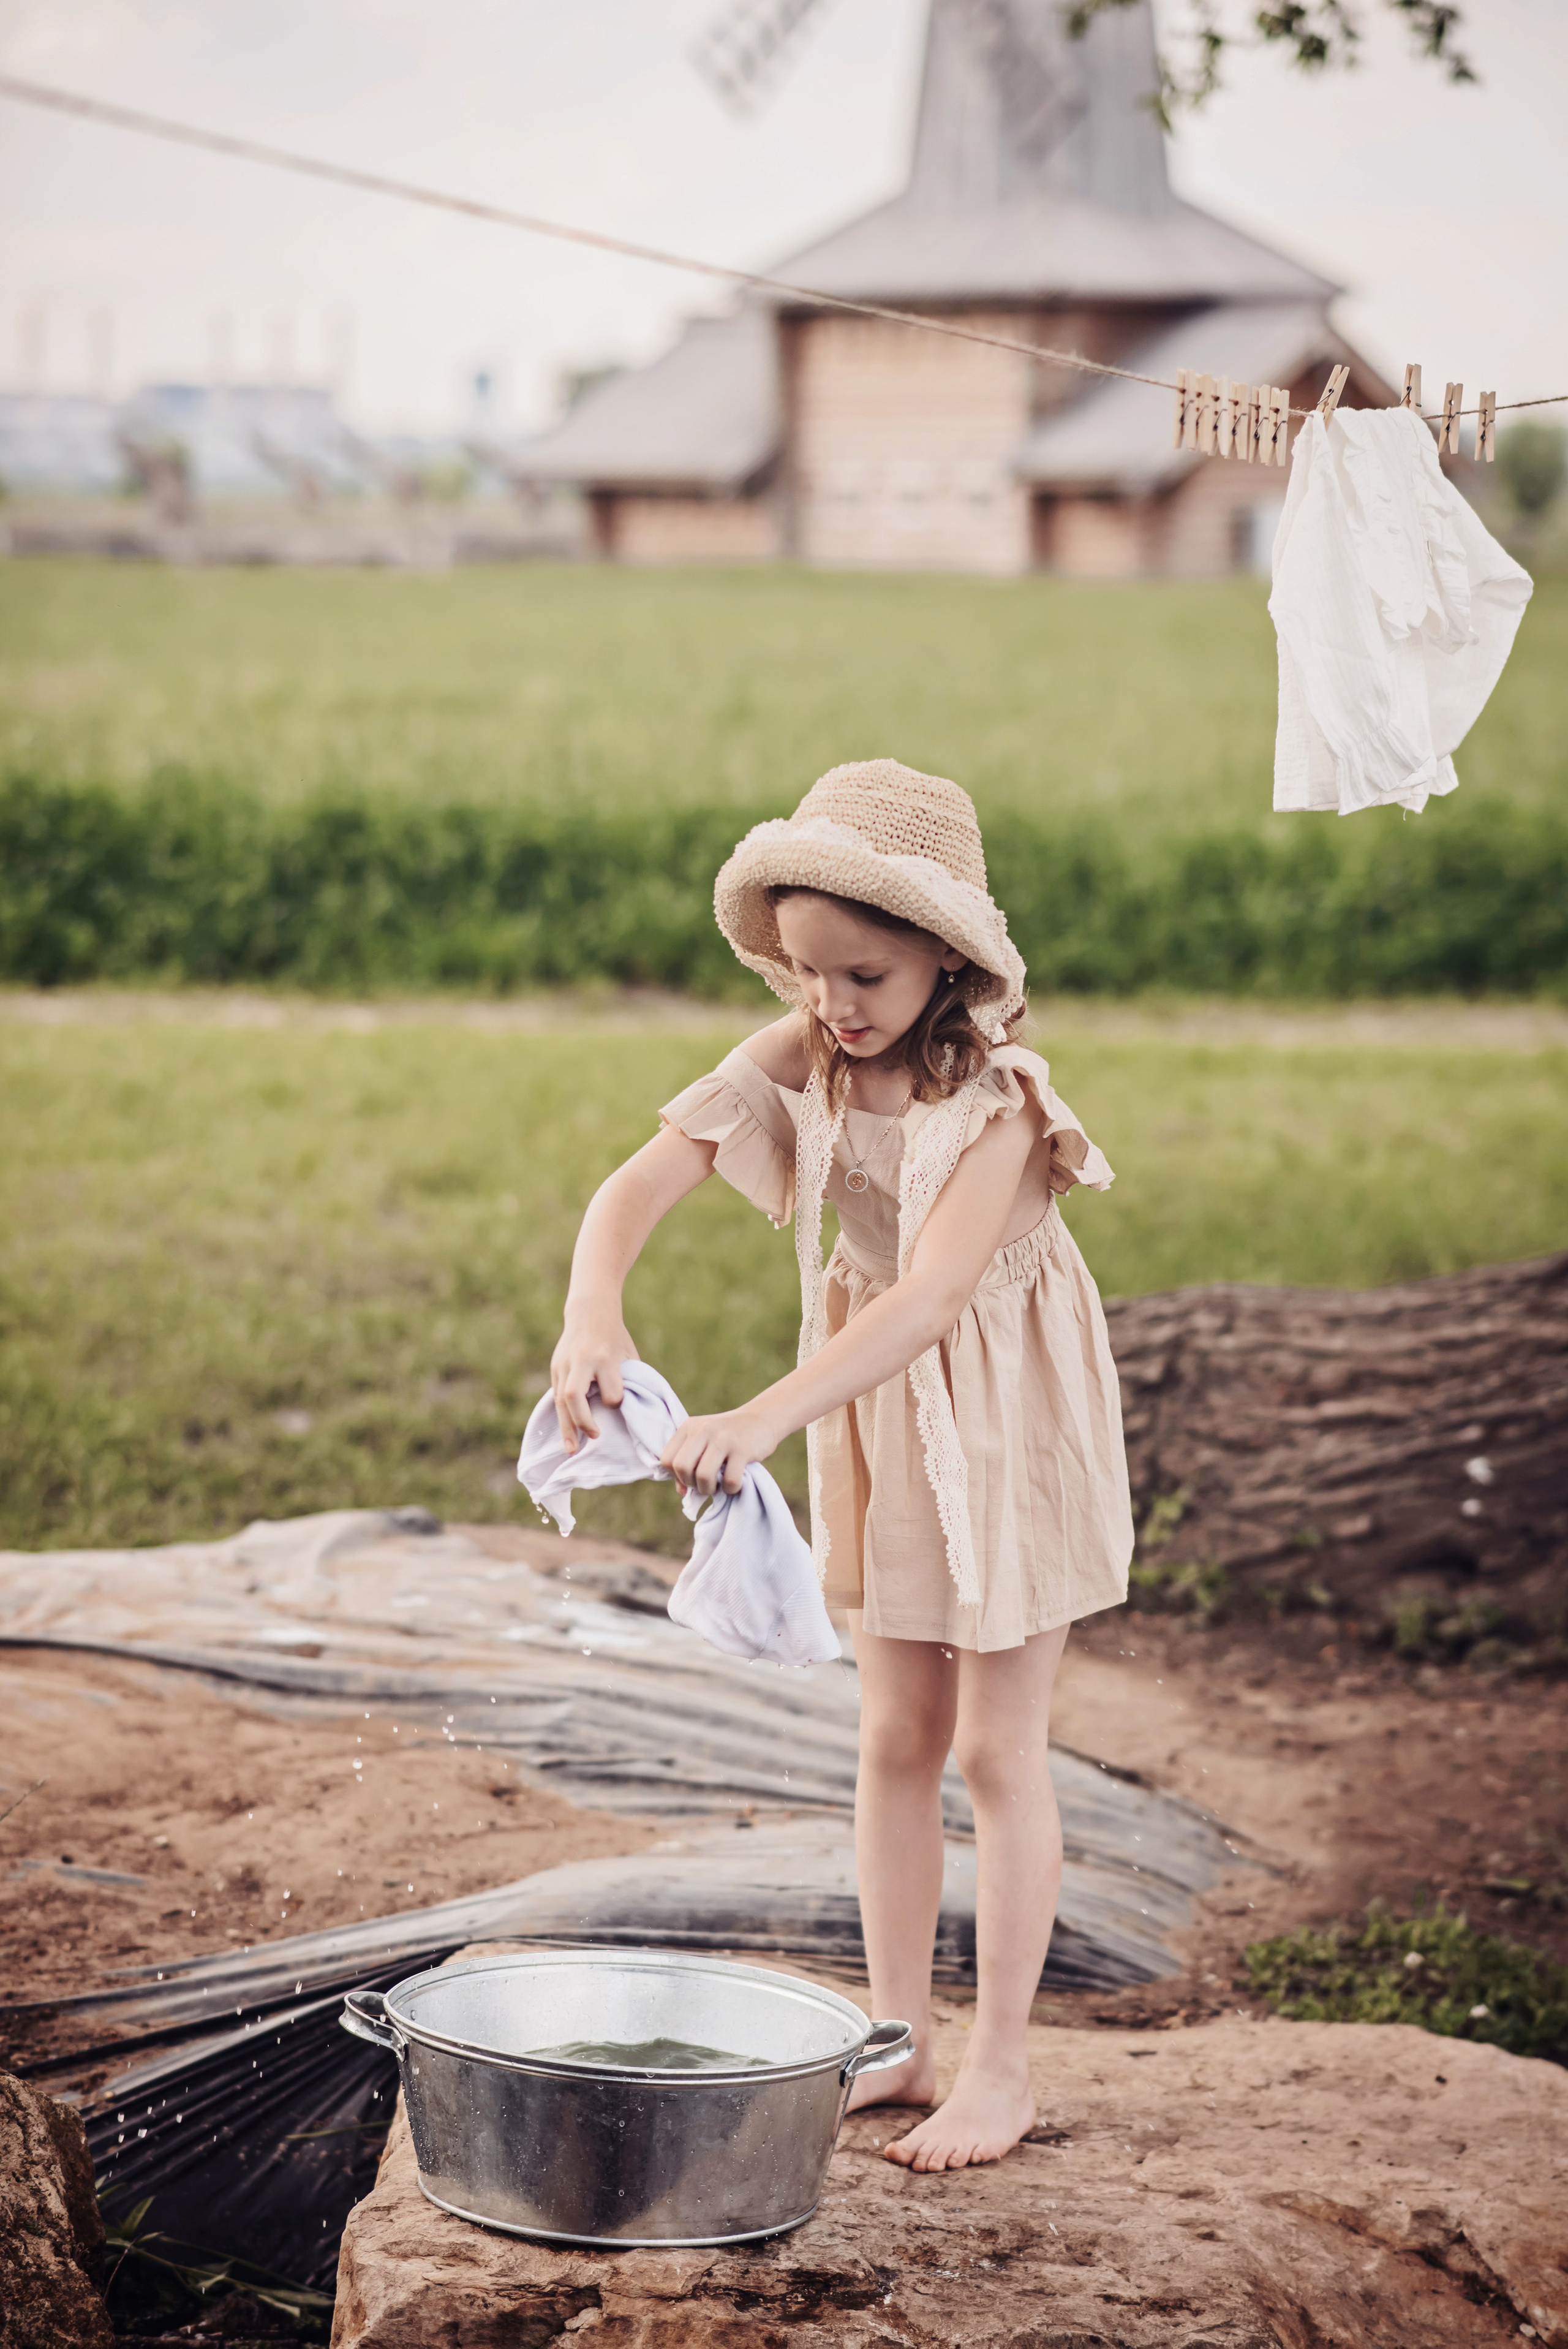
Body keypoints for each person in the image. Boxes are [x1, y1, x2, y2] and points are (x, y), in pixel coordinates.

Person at [549, 760, 1133, 2172]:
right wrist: (593, 1310)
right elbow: (635, 1186)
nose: (831, 1003)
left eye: (862, 972)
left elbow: (933, 1302)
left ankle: (997, 2066)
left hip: (1004, 1416)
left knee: (996, 1747)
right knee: (890, 1736)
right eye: (806, 972)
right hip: (877, 1408)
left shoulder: (995, 1103)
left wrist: (757, 1417)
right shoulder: (801, 1052)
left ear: (947, 957)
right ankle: (896, 2036)